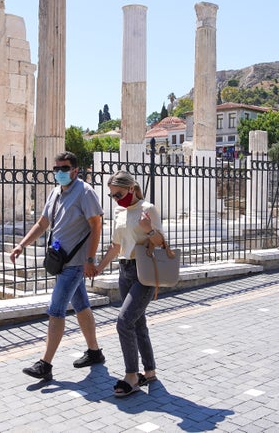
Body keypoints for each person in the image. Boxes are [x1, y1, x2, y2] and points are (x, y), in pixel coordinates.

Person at [11, 152, 104, 381]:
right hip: (60, 260)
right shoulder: (55, 193)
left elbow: (96, 225)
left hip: (75, 264)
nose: (59, 173)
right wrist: (22, 245)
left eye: (64, 169)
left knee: (56, 310)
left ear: (75, 170)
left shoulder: (85, 192)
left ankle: (46, 364)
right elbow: (43, 223)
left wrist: (90, 259)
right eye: (56, 169)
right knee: (81, 306)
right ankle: (94, 352)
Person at [94, 170, 161, 397]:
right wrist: (98, 267)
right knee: (137, 322)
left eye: (119, 193)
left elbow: (161, 241)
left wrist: (148, 229)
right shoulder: (119, 211)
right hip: (124, 271)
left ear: (131, 189)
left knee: (124, 322)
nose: (116, 198)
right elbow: (115, 246)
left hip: (143, 271)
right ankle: (149, 371)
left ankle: (131, 376)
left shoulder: (148, 209)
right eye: (112, 195)